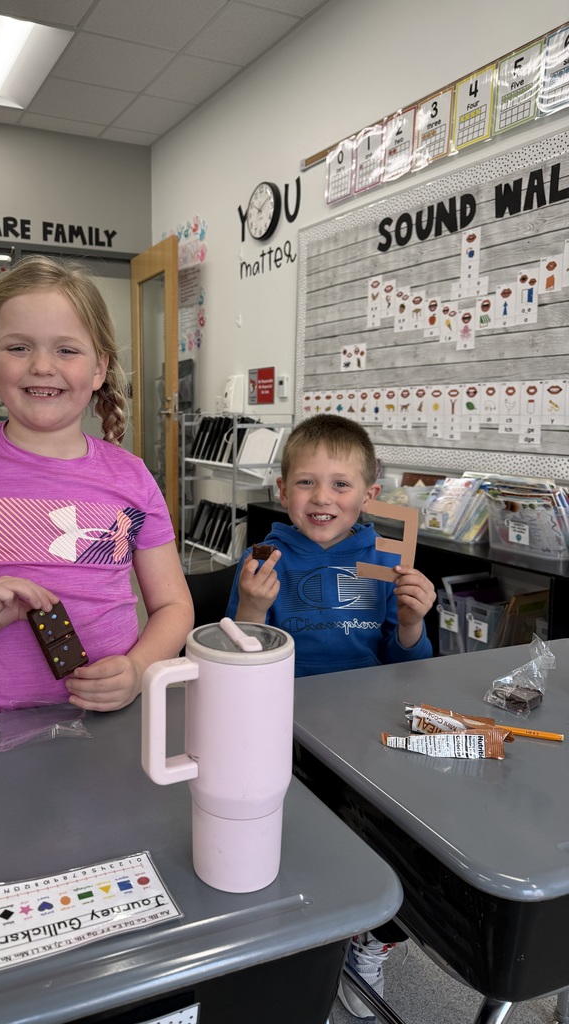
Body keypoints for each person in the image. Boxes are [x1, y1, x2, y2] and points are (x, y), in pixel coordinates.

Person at [0, 254, 194, 720]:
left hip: (108, 724)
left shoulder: (132, 476)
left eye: (67, 349)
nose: (43, 366)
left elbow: (173, 605)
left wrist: (139, 668)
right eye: (19, 347)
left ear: (100, 368)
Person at [226, 412, 435, 1019]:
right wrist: (250, 608)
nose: (323, 499)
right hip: (284, 727)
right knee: (294, 839)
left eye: (341, 485)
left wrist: (412, 623)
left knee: (388, 840)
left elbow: (408, 665)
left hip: (366, 727)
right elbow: (240, 660)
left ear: (370, 494)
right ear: (281, 490)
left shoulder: (388, 558)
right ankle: (304, 936)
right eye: (306, 484)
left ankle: (368, 940)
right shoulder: (266, 555)